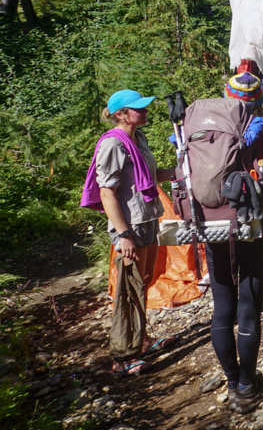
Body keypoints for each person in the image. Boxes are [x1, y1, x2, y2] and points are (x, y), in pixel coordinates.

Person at [205, 69, 263, 414]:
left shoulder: (206, 135)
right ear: (260, 103)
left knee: (222, 310)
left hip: (215, 230)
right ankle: (246, 387)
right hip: (259, 230)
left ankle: (231, 381)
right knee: (248, 310)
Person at [80, 89, 180, 376]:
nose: (145, 111)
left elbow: (149, 176)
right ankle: (122, 358)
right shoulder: (113, 144)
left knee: (143, 281)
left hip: (147, 219)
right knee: (128, 289)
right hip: (130, 226)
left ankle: (142, 340)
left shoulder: (138, 138)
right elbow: (107, 192)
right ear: (121, 114)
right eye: (138, 108)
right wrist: (123, 234)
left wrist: (180, 172)